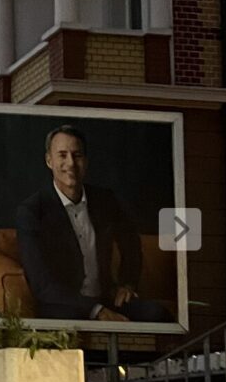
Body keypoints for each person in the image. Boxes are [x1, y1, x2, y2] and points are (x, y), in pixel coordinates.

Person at [15, 124, 173, 323]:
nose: (71, 163)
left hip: (107, 297)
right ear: (49, 160)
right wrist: (96, 311)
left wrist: (127, 284)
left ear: (86, 161)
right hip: (63, 305)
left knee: (157, 314)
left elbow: (130, 242)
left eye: (77, 155)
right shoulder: (32, 211)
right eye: (62, 155)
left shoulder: (105, 200)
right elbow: (42, 284)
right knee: (73, 323)